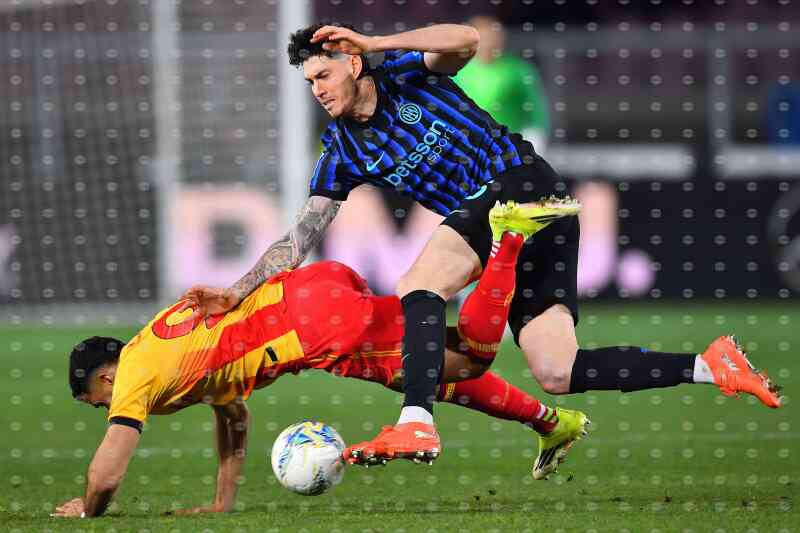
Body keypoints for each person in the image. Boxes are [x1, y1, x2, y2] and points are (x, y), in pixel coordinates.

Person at [179, 22, 782, 468]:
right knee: (557, 371)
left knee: (420, 283)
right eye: (310, 80)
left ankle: (416, 422)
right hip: (524, 220)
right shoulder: (341, 153)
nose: (317, 88)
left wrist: (376, 42)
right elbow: (299, 237)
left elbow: (465, 39)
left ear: (353, 62)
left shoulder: (403, 72)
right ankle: (709, 366)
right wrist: (237, 291)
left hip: (525, 185)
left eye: (324, 74)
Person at [52, 205, 590, 518]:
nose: (105, 409)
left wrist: (89, 509)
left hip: (312, 330)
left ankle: (510, 241)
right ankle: (550, 422)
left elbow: (107, 473)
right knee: (425, 367)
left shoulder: (134, 378)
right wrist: (221, 502)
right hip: (314, 287)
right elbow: (233, 415)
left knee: (467, 362)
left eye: (96, 401)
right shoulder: (157, 345)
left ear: (105, 377)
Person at [454, 15, 550, 154]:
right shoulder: (458, 71)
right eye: (484, 39)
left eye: (493, 38)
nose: (489, 44)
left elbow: (535, 107)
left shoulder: (518, 70)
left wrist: (537, 136)